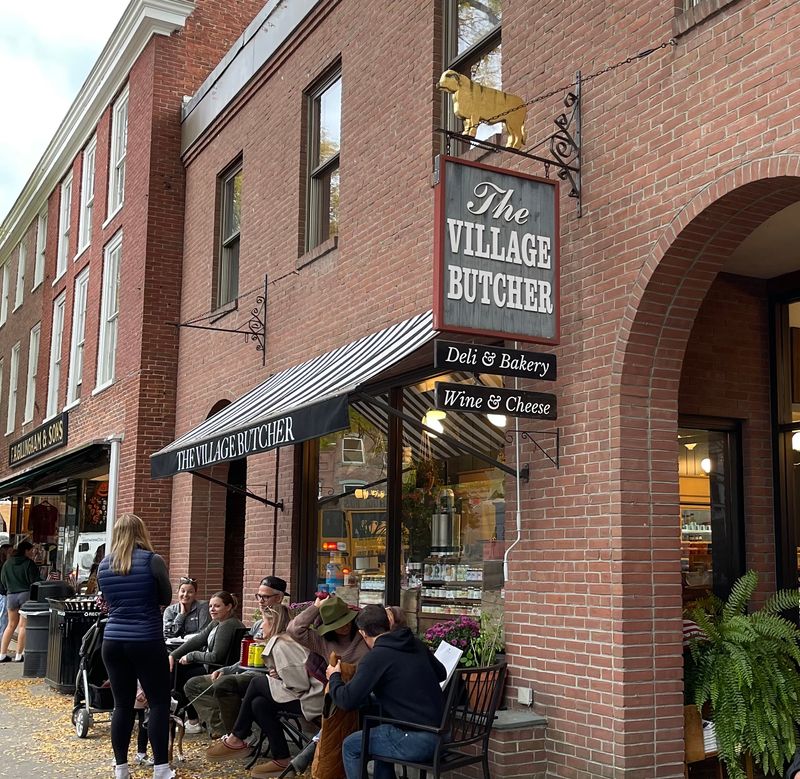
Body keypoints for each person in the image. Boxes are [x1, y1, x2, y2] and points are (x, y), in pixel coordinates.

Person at [326, 605, 446, 779]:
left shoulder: (376, 657)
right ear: (388, 623)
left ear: (362, 633)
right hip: (442, 734)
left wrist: (334, 677)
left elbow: (347, 701)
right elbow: (441, 673)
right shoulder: (415, 643)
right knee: (381, 734)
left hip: (416, 741)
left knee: (351, 746)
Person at [206, 603, 325, 778]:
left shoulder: (281, 644)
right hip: (310, 697)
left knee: (256, 683)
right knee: (258, 703)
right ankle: (281, 757)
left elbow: (300, 684)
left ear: (273, 623)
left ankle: (237, 737)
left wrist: (280, 677)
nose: (261, 626)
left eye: (264, 622)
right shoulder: (287, 641)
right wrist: (280, 676)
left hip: (312, 701)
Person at [96, 514, 173, 779]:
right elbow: (166, 597)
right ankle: (161, 767)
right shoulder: (153, 560)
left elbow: (106, 600)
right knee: (159, 702)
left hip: (113, 640)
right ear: (142, 532)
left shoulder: (104, 565)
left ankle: (121, 768)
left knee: (122, 705)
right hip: (146, 638)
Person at [183, 575, 287, 738]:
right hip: (245, 671)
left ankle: (238, 734)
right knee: (192, 684)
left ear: (279, 597)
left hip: (267, 678)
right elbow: (244, 658)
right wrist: (227, 669)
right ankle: (222, 727)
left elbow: (292, 658)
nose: (260, 601)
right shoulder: (258, 624)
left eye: (265, 597)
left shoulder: (287, 625)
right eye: (258, 596)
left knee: (225, 684)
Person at [169, 590, 245, 733]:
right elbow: (199, 639)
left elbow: (216, 656)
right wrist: (173, 655)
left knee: (179, 674)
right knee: (177, 668)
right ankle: (188, 718)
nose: (212, 609)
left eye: (217, 606)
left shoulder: (227, 625)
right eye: (210, 606)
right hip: (213, 666)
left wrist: (191, 656)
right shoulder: (217, 622)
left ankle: (191, 719)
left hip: (218, 670)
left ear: (228, 607)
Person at [287, 594, 368, 665]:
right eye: (339, 625)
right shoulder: (322, 641)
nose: (346, 627)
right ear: (330, 627)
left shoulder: (363, 632)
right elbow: (293, 630)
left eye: (348, 621)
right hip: (339, 681)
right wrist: (316, 607)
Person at [0, 540, 42, 663]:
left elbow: (2, 580)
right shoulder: (29, 564)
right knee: (23, 625)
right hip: (25, 595)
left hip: (11, 596)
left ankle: (2, 654)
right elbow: (35, 581)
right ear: (26, 551)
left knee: (11, 624)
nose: (33, 553)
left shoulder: (7, 564)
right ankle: (19, 655)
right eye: (31, 551)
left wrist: (10, 588)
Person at [0, 543, 12, 642]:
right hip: (3, 594)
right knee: (3, 621)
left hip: (3, 594)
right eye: (10, 552)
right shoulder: (5, 565)